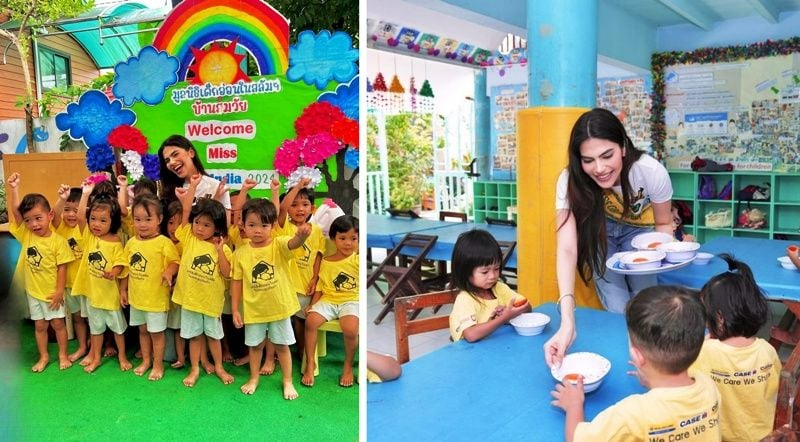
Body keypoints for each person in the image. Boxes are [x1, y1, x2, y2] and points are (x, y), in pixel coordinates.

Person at [545, 108, 674, 368]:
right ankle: (630, 362)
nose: (600, 168)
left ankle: (653, 364)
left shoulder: (650, 171)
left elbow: (663, 224)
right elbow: (568, 249)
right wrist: (567, 321)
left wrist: (658, 257)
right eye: (588, 160)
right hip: (600, 234)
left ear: (623, 147)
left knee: (645, 302)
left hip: (641, 234)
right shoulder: (569, 180)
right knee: (617, 307)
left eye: (607, 155)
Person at [551, 285, 720, 441]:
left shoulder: (632, 414)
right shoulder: (709, 386)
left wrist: (574, 406)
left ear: (637, 356)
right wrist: (652, 379)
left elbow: (577, 438)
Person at [689, 254, 780, 441]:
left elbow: (688, 387)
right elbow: (775, 389)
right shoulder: (766, 350)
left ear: (720, 318)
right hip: (765, 434)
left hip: (723, 436)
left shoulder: (705, 352)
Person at [230, 198, 310, 399]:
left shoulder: (279, 244)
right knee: (255, 346)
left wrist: (301, 237)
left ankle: (287, 381)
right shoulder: (240, 253)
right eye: (252, 225)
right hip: (254, 310)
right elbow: (237, 282)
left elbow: (293, 244)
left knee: (282, 346)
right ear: (243, 225)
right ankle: (254, 378)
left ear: (273, 225)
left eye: (263, 225)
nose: (257, 230)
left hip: (280, 308)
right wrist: (235, 309)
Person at [6, 173, 75, 372]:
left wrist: (59, 291)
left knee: (58, 325)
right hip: (33, 292)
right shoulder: (26, 234)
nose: (34, 224)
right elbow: (16, 213)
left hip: (51, 293)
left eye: (38, 218)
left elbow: (63, 266)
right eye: (29, 220)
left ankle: (63, 355)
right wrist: (14, 188)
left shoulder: (58, 241)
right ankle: (43, 356)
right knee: (40, 327)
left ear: (50, 215)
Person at [172, 175, 234, 387]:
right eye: (197, 223)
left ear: (217, 227)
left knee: (214, 337)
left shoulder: (222, 247)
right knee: (195, 337)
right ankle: (195, 368)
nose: (199, 228)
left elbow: (227, 274)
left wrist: (219, 250)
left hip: (211, 303)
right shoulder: (189, 236)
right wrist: (194, 187)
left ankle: (218, 367)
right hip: (190, 300)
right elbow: (187, 212)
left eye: (206, 225)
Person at [72, 180, 131, 373]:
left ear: (113, 222)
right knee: (95, 329)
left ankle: (122, 356)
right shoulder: (90, 237)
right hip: (93, 295)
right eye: (94, 219)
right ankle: (95, 357)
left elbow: (121, 264)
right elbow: (81, 217)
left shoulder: (115, 242)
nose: (96, 224)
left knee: (118, 329)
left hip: (110, 297)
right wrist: (86, 194)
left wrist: (113, 272)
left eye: (103, 220)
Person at [120, 194, 180, 381]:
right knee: (143, 331)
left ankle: (158, 365)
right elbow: (126, 268)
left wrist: (169, 272)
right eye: (138, 219)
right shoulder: (131, 243)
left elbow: (175, 262)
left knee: (156, 334)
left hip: (155, 299)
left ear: (159, 219)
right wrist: (123, 290)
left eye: (148, 219)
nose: (142, 224)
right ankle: (146, 361)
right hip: (137, 298)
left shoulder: (164, 242)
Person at [302, 215, 359, 387]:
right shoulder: (326, 261)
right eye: (342, 238)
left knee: (350, 329)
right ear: (333, 239)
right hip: (328, 300)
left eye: (353, 238)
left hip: (352, 301)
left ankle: (348, 365)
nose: (348, 243)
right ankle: (311, 363)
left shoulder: (357, 260)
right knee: (311, 321)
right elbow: (320, 286)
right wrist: (313, 304)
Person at [448, 229, 530, 343]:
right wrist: (504, 318)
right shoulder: (465, 299)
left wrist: (510, 311)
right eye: (485, 272)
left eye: (496, 269)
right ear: (465, 271)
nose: (492, 276)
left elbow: (527, 306)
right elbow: (471, 335)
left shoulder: (500, 288)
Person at [52, 185, 89, 362]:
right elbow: (53, 214)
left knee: (93, 318)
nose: (71, 214)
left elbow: (82, 216)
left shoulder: (85, 227)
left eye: (76, 210)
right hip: (69, 284)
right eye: (67, 210)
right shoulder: (60, 229)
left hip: (87, 284)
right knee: (77, 318)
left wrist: (86, 197)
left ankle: (104, 345)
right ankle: (82, 346)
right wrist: (62, 198)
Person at [157, 134, 231, 210]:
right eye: (167, 160)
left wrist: (215, 202)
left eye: (175, 154)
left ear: (191, 153)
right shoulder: (167, 191)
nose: (172, 162)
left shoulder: (216, 187)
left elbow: (226, 221)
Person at [161, 199, 187, 369]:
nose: (174, 228)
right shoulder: (162, 241)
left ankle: (183, 355)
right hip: (163, 296)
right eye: (171, 222)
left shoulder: (187, 243)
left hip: (181, 296)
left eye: (179, 224)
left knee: (180, 327)